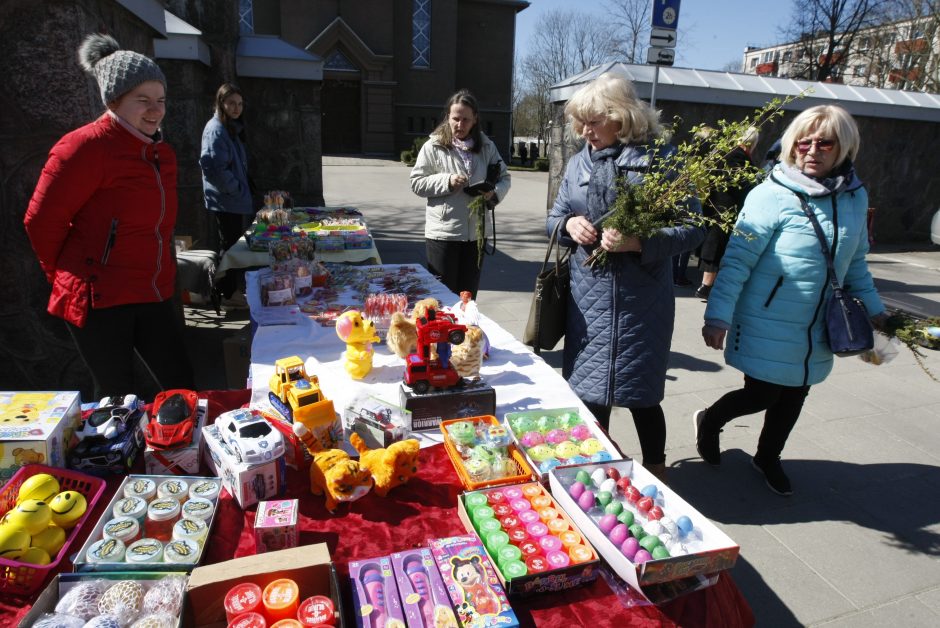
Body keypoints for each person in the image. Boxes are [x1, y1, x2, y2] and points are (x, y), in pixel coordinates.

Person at [694, 105, 887, 496]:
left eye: (824, 142)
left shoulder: (853, 196)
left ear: (844, 148)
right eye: (803, 141)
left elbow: (856, 266)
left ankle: (768, 457)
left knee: (797, 391)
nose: (811, 150)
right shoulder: (771, 194)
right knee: (763, 393)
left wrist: (877, 312)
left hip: (819, 322)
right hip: (767, 317)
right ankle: (711, 421)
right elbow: (737, 261)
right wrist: (718, 315)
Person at [546, 72, 705, 481]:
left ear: (622, 117)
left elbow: (694, 227)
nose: (584, 131)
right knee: (589, 397)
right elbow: (553, 218)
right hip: (588, 301)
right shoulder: (579, 161)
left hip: (643, 303)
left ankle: (658, 475)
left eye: (593, 121)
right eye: (580, 122)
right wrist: (569, 226)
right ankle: (595, 474)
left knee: (643, 396)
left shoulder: (661, 161)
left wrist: (640, 241)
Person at [24, 33, 195, 399]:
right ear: (113, 101)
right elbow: (41, 221)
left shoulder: (160, 152)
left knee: (183, 390)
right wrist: (69, 277)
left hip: (153, 291)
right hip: (101, 298)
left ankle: (185, 456)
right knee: (118, 401)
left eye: (161, 100)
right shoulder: (84, 148)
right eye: (143, 100)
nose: (155, 110)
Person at [410, 90, 511, 298]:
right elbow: (417, 182)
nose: (460, 124)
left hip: (476, 236)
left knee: (468, 297)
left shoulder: (487, 147)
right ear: (448, 117)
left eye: (466, 119)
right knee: (442, 298)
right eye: (455, 118)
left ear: (475, 119)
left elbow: (505, 177)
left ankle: (465, 331)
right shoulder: (433, 146)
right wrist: (446, 181)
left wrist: (493, 194)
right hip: (443, 234)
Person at [199, 83, 252, 307]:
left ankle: (230, 291)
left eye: (239, 104)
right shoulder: (216, 129)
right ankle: (228, 294)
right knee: (229, 247)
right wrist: (235, 189)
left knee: (232, 245)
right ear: (221, 103)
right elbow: (213, 167)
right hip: (227, 200)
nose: (236, 108)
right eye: (231, 103)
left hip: (234, 199)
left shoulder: (229, 127)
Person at [695, 125, 760, 300]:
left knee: (715, 246)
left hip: (718, 206)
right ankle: (706, 286)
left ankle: (706, 285)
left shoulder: (726, 153)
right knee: (717, 247)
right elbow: (741, 182)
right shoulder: (736, 155)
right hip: (725, 209)